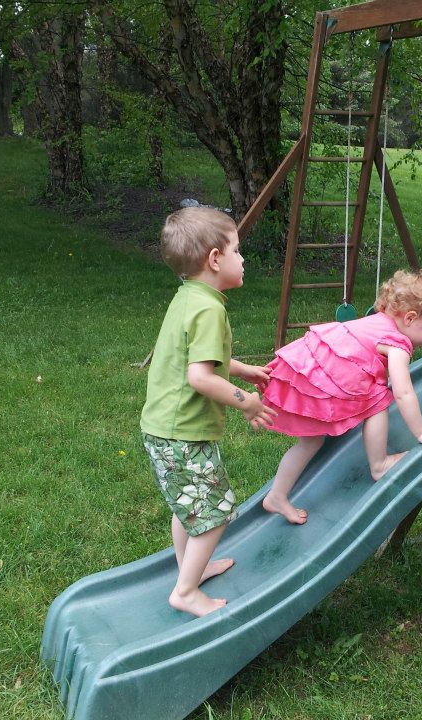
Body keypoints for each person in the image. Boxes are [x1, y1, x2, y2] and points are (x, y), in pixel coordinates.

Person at [140, 206, 276, 617]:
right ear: (215, 259)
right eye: (236, 250)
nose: (242, 259)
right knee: (215, 513)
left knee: (189, 506)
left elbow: (198, 356)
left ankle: (191, 570)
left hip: (163, 428)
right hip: (183, 433)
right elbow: (200, 377)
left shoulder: (188, 298)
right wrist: (247, 401)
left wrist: (242, 368)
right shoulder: (210, 310)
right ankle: (185, 592)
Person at [260, 270, 422, 525]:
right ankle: (379, 464)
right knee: (378, 399)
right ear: (410, 317)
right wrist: (421, 432)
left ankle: (276, 495)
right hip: (326, 380)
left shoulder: (377, 320)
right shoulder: (398, 344)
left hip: (313, 373)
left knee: (310, 443)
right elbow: (403, 391)